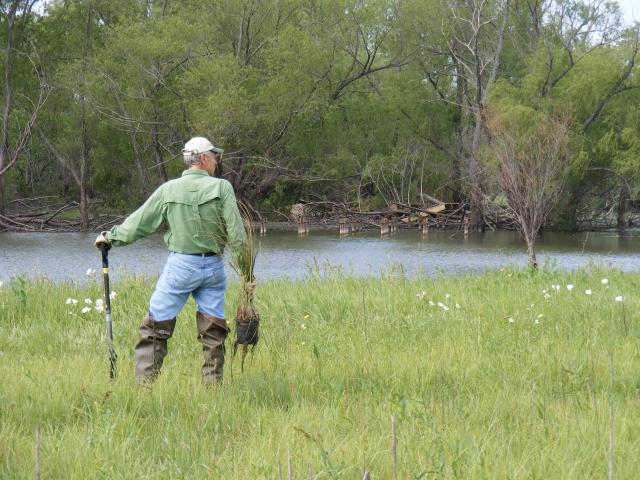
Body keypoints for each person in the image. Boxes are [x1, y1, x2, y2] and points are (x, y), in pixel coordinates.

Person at [94, 136, 249, 385]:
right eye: (215, 157)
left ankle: (144, 389)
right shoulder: (222, 188)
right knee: (214, 332)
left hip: (180, 267)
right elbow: (238, 236)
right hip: (213, 268)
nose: (217, 162)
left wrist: (110, 238)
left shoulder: (169, 189)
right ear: (203, 159)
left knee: (155, 328)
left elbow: (139, 223)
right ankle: (214, 391)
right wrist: (247, 272)